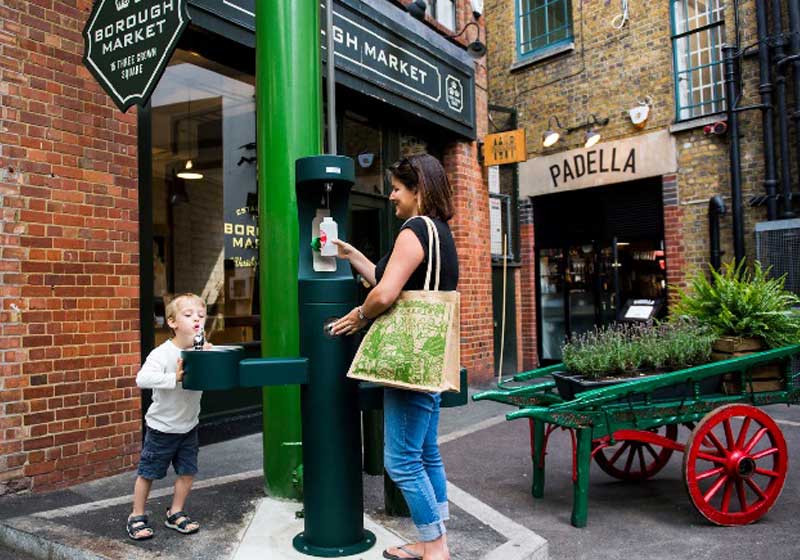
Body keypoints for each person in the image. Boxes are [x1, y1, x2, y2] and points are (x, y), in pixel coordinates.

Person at [331, 154, 458, 560]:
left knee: (401, 461)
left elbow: (385, 295)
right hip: (432, 353)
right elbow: (393, 281)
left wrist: (358, 315)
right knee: (425, 453)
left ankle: (434, 548)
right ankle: (435, 537)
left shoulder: (413, 229)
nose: (391, 197)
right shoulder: (440, 232)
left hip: (409, 358)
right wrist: (353, 255)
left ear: (418, 189)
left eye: (398, 189)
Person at [127, 293, 210, 540]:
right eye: (188, 314)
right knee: (148, 472)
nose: (197, 319)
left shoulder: (202, 350)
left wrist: (211, 357)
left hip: (188, 426)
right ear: (172, 322)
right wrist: (173, 378)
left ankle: (175, 512)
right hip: (162, 428)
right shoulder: (161, 353)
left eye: (201, 315)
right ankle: (136, 515)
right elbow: (142, 379)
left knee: (187, 472)